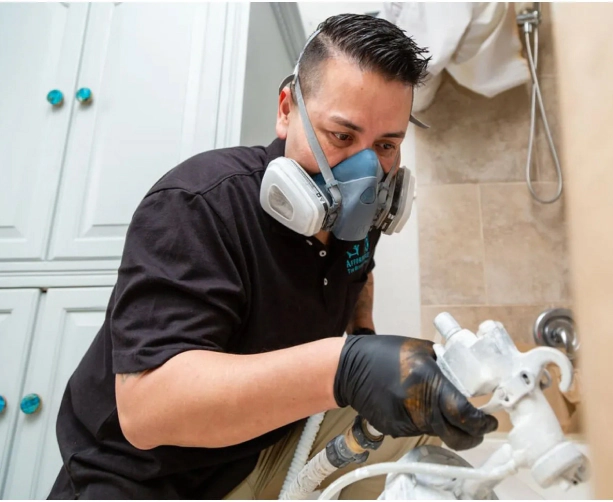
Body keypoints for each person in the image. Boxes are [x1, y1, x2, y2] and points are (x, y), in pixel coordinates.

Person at [49, 14, 498, 500]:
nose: (365, 173)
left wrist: (363, 333)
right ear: (287, 110)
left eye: (386, 145)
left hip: (267, 445)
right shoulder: (199, 205)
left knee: (418, 423)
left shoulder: (360, 220)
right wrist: (345, 367)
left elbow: (357, 274)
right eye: (342, 137)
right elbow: (146, 411)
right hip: (148, 481)